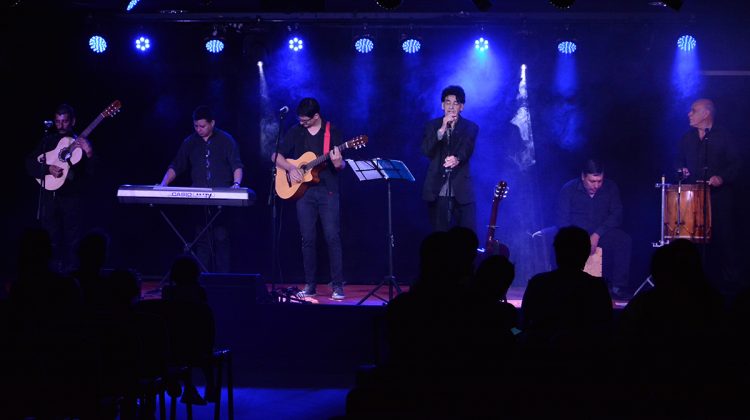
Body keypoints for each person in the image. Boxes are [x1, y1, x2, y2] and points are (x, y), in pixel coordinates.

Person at [272, 97, 346, 300]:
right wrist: (291, 168)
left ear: (316, 116)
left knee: (332, 237)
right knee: (308, 239)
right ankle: (310, 285)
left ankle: (338, 286)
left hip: (328, 191)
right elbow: (276, 156)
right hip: (304, 193)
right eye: (301, 120)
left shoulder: (332, 132)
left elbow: (341, 166)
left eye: (306, 120)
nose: (302, 123)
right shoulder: (296, 131)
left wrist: (339, 163)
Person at [160, 105, 244, 273]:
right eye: (196, 126)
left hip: (221, 200)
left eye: (202, 126)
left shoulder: (226, 140)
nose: (199, 129)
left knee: (221, 238)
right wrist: (163, 185)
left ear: (212, 123)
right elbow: (177, 165)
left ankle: (223, 282)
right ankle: (202, 281)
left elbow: (237, 165)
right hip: (198, 200)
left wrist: (236, 184)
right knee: (202, 240)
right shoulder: (190, 142)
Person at [676, 98, 742, 296]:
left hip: (719, 197)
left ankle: (731, 287)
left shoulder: (723, 136)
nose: (689, 114)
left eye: (693, 110)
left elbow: (736, 164)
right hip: (693, 197)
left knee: (724, 239)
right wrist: (681, 170)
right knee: (692, 240)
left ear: (706, 113)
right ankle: (691, 283)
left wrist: (721, 178)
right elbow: (678, 161)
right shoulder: (686, 138)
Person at [25, 104, 95, 271]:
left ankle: (73, 277)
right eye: (57, 122)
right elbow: (29, 163)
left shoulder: (81, 143)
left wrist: (90, 153)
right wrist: (48, 168)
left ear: (73, 121)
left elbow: (92, 173)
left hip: (72, 198)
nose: (61, 125)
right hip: (50, 197)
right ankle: (50, 274)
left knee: (73, 241)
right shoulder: (48, 141)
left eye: (65, 121)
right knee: (50, 239)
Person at [557, 159, 632, 299]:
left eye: (600, 181)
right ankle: (568, 283)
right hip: (576, 234)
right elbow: (562, 218)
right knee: (565, 240)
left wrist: (597, 234)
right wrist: (581, 237)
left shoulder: (611, 187)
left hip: (602, 232)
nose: (596, 185)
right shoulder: (569, 189)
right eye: (592, 181)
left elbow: (617, 214)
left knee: (623, 240)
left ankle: (617, 287)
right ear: (583, 176)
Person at [421, 85, 479, 233]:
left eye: (456, 103)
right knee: (440, 240)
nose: (451, 106)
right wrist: (441, 130)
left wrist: (457, 158)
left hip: (462, 192)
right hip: (437, 191)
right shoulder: (432, 126)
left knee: (467, 238)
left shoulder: (470, 127)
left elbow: (467, 148)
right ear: (442, 105)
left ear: (462, 107)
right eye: (448, 102)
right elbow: (427, 151)